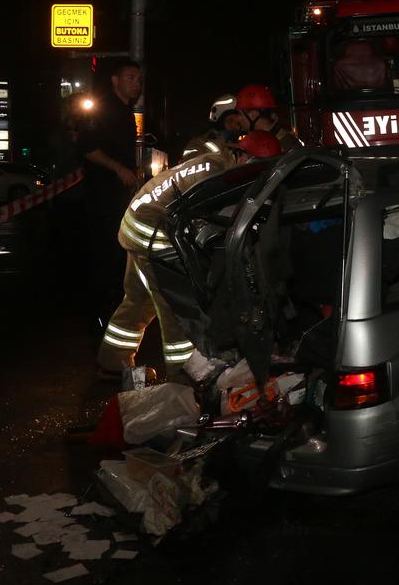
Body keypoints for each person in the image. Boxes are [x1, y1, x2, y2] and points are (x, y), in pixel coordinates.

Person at [97, 131, 282, 380]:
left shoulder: (217, 163)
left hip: (137, 222)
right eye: (255, 167)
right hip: (151, 232)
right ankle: (185, 377)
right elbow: (203, 226)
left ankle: (111, 360)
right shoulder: (216, 176)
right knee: (176, 305)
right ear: (241, 155)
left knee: (139, 299)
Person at [79, 61, 143, 326]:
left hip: (118, 193)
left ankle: (115, 306)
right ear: (115, 80)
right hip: (102, 194)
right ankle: (102, 313)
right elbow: (87, 147)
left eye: (139, 78)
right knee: (105, 250)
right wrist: (118, 169)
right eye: (131, 77)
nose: (136, 83)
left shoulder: (126, 112)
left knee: (119, 250)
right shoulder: (104, 108)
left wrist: (133, 172)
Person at [236, 84, 304, 151]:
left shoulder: (284, 144)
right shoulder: (271, 140)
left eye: (239, 114)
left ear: (254, 114)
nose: (237, 119)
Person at [180, 94, 242, 161]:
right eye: (230, 120)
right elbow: (189, 161)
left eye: (238, 123)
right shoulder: (199, 142)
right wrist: (220, 144)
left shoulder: (245, 143)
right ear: (219, 122)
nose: (235, 126)